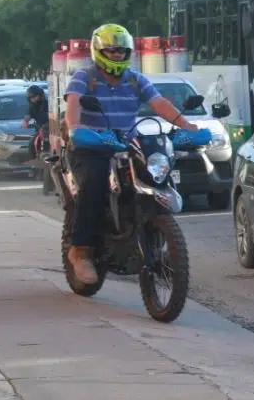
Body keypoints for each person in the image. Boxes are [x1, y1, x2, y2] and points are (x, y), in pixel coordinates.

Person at [64, 24, 208, 284]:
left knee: (155, 172)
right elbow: (73, 103)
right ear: (99, 51)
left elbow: (159, 103)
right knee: (95, 183)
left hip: (125, 144)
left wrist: (187, 127)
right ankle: (81, 250)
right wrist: (76, 129)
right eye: (112, 50)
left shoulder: (135, 79)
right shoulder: (84, 77)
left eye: (122, 51)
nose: (118, 55)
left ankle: (152, 234)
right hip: (91, 146)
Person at [22, 84, 49, 159]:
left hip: (50, 130)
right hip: (39, 130)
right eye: (30, 98)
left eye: (34, 96)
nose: (33, 99)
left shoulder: (48, 104)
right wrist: (25, 121)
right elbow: (28, 115)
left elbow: (53, 116)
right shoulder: (32, 107)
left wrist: (47, 124)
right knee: (31, 143)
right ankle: (34, 162)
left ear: (40, 95)